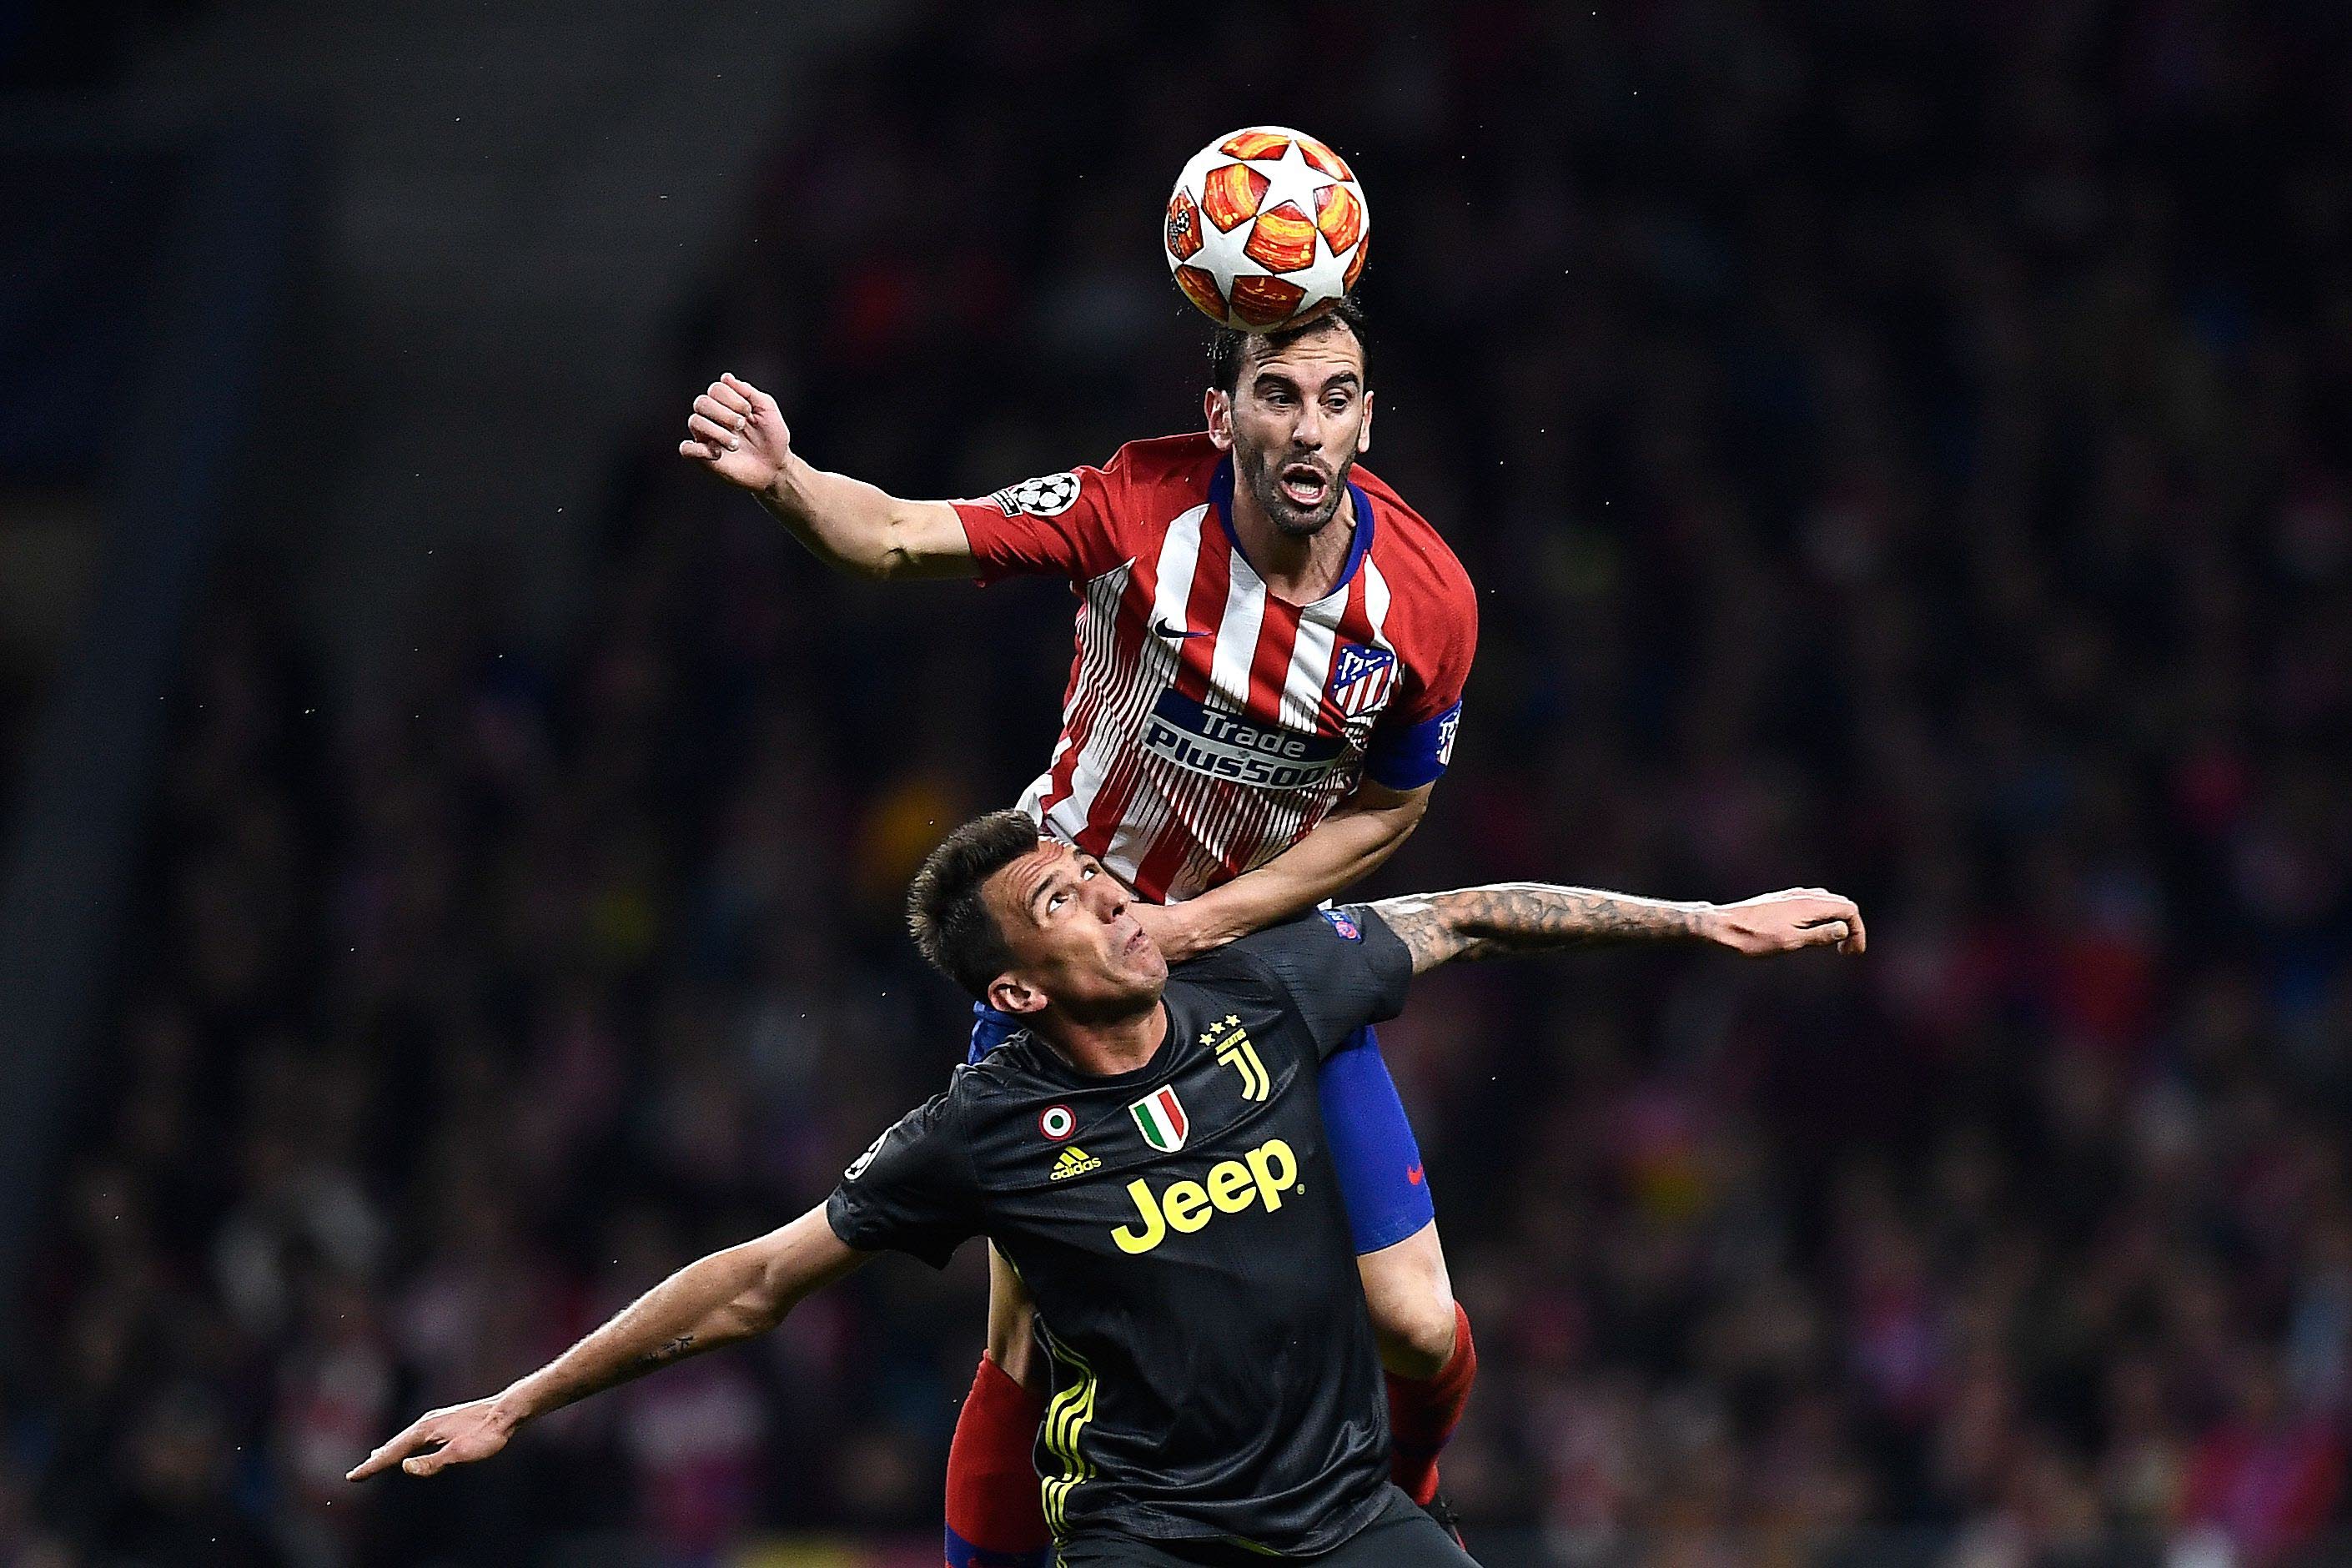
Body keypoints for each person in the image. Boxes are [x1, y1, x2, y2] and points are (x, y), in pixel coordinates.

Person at [349, 810, 1866, 1566]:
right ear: (1015, 992)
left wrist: (1705, 921)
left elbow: (1468, 915)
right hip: (1153, 1538)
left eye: (1096, 871)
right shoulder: (983, 1129)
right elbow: (753, 1281)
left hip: (1340, 1514)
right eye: (1066, 901)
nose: (1119, 897)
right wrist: (515, 1404)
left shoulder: (1270, 990)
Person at [680, 297, 1490, 1562]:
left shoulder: (1427, 602)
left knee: (1421, 1324)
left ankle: (1406, 1496)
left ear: (1369, 417)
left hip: (1260, 965)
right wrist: (788, 483)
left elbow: (1393, 814)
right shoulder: (1133, 510)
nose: (1309, 425)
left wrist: (1206, 922)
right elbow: (895, 538)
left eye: (1336, 398)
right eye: (1278, 394)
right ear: (1220, 416)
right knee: (1023, 1342)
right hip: (1073, 959)